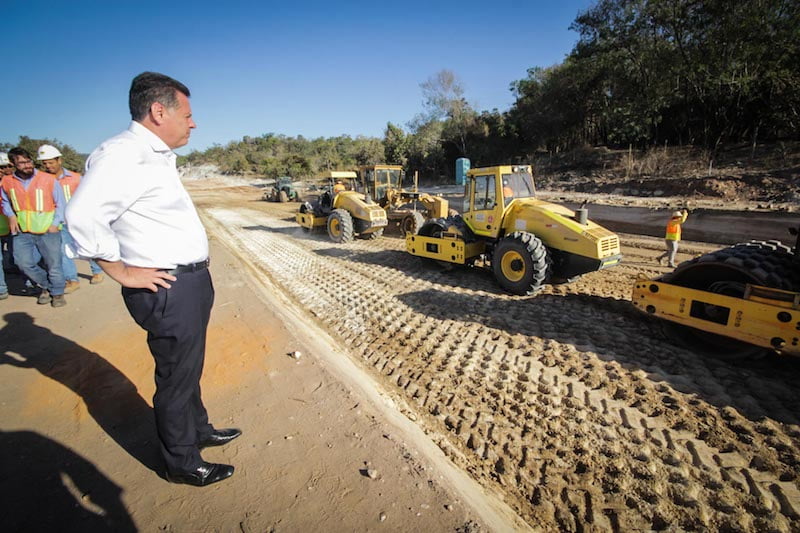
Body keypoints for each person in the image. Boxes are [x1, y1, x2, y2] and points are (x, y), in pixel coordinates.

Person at [66, 72, 240, 487]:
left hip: (189, 283)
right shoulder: (123, 155)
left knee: (188, 366)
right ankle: (182, 462)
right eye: (188, 114)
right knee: (176, 376)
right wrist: (121, 271)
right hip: (168, 289)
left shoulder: (153, 155)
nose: (193, 123)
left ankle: (198, 429)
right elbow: (81, 216)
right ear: (159, 111)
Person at [0, 147, 67, 307]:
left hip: (47, 230)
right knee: (23, 263)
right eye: (21, 163)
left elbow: (61, 204)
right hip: (23, 231)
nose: (27, 165)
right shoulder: (8, 182)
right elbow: (4, 201)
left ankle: (57, 294)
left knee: (53, 264)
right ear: (13, 164)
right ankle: (48, 286)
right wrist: (10, 215)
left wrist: (54, 223)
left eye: (28, 161)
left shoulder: (48, 179)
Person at [37, 144, 105, 293]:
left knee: (87, 245)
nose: (48, 166)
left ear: (59, 160)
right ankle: (72, 280)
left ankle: (97, 271)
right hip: (59, 222)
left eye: (51, 162)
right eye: (45, 163)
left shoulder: (75, 178)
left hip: (79, 219)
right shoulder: (43, 181)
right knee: (64, 251)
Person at [0, 153, 11, 299]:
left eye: (7, 166)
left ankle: (30, 284)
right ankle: (2, 288)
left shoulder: (13, 183)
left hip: (14, 227)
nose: (4, 170)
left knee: (22, 258)